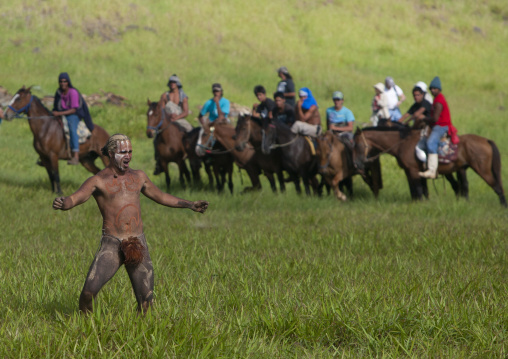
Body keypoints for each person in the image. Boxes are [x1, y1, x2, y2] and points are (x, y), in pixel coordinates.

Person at [52, 134, 209, 314]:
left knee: (146, 303)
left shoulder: (139, 176)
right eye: (123, 152)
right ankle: (85, 326)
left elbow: (161, 196)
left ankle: (142, 334)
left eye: (130, 151)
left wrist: (190, 204)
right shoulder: (98, 180)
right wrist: (65, 203)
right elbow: (77, 197)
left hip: (137, 243)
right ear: (111, 154)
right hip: (112, 243)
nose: (128, 155)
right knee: (88, 293)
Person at [52, 72, 94, 165]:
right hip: (62, 114)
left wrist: (59, 113)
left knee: (72, 128)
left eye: (65, 81)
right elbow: (56, 105)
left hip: (73, 115)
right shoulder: (59, 93)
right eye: (61, 81)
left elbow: (74, 109)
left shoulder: (73, 92)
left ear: (68, 82)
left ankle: (75, 155)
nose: (63, 83)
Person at [418, 76, 454, 178]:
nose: (433, 90)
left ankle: (432, 170)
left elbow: (435, 119)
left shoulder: (438, 101)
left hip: (441, 126)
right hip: (438, 125)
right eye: (431, 89)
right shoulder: (436, 99)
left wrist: (424, 118)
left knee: (430, 143)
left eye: (435, 88)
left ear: (439, 89)